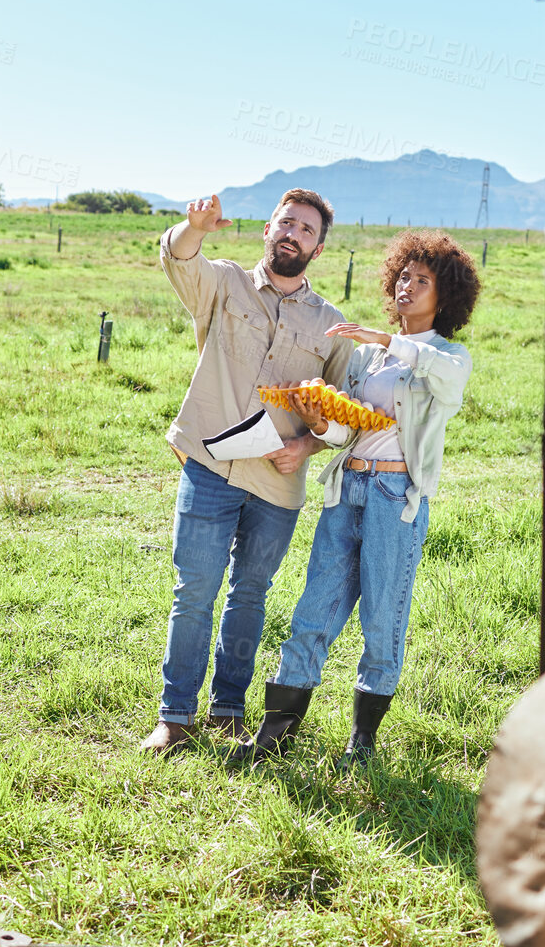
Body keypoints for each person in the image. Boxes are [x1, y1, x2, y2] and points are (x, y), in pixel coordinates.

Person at [240, 229, 480, 765]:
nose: (407, 287)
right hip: (348, 486)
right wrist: (317, 420)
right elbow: (345, 431)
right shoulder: (366, 360)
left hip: (396, 496)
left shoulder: (448, 357)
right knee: (314, 608)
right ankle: (274, 735)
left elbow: (446, 382)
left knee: (382, 615)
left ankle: (362, 742)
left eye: (422, 281)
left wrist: (388, 339)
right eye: (402, 276)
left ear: (447, 296)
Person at [142, 188, 357, 754]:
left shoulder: (332, 326)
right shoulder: (225, 283)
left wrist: (307, 447)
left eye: (307, 230)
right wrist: (195, 228)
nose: (294, 234)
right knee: (195, 591)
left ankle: (228, 711)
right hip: (212, 464)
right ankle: (175, 717)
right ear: (267, 229)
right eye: (286, 223)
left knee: (250, 595)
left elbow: (342, 415)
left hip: (277, 485)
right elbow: (178, 258)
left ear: (319, 247)